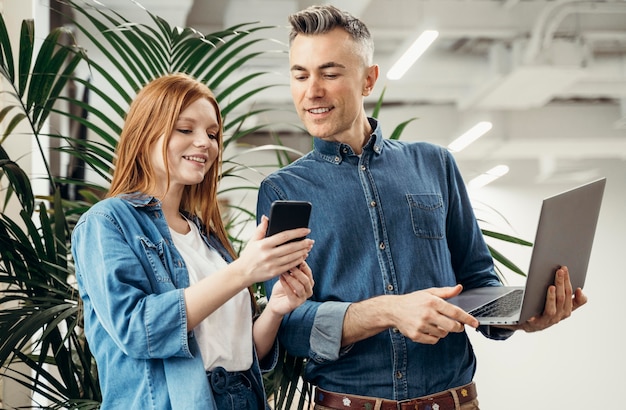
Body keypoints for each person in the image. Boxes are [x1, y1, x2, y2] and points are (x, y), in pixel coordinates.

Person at [256, 5, 587, 410]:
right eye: (300, 75)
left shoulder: (434, 164)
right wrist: (387, 311)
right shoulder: (283, 190)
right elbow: (287, 324)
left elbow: (477, 279)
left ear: (368, 80)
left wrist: (523, 314)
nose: (312, 91)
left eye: (330, 72)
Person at [71, 73, 315, 410]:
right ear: (145, 133)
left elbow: (244, 354)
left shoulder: (207, 236)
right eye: (186, 129)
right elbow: (137, 330)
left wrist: (276, 308)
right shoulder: (106, 222)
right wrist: (243, 271)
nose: (205, 143)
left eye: (213, 134)